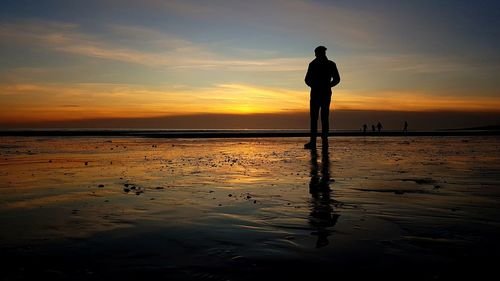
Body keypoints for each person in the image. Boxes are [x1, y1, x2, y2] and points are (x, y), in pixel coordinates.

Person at [304, 46, 340, 149]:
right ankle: (314, 141)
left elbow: (337, 79)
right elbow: (307, 79)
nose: (316, 55)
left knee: (323, 117)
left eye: (317, 53)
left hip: (324, 93)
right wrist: (313, 85)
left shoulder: (330, 64)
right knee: (315, 117)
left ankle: (323, 140)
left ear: (321, 53)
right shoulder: (312, 64)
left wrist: (328, 85)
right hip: (316, 93)